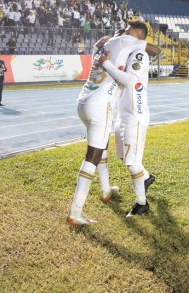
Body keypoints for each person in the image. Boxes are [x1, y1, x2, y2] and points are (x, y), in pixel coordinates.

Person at [66, 20, 161, 226]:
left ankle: (108, 190)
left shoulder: (105, 46)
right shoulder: (127, 44)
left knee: (104, 149)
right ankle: (75, 212)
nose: (123, 34)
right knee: (94, 155)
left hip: (84, 102)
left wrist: (103, 53)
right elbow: (156, 49)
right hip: (101, 106)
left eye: (127, 32)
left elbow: (129, 72)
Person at [97, 45, 155, 217]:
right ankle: (146, 177)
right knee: (123, 156)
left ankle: (141, 204)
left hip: (134, 116)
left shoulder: (138, 54)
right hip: (123, 115)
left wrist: (106, 64)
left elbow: (129, 80)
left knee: (132, 161)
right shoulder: (124, 56)